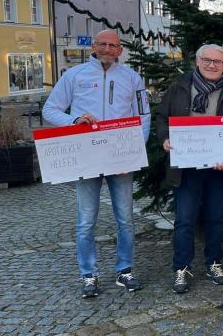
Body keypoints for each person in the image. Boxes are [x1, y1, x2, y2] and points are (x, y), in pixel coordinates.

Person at [42, 29, 150, 298]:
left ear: (120, 50)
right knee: (86, 220)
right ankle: (88, 275)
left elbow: (144, 115)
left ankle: (125, 270)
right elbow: (50, 110)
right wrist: (73, 120)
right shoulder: (74, 75)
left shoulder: (132, 78)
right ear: (94, 45)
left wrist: (134, 154)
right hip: (86, 157)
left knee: (125, 219)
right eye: (103, 43)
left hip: (120, 157)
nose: (108, 49)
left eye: (113, 45)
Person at [156, 44, 223, 294]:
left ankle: (214, 262)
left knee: (216, 219)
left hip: (218, 169)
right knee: (184, 221)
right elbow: (162, 117)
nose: (212, 65)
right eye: (207, 60)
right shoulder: (180, 86)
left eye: (217, 62)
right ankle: (181, 268)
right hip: (186, 167)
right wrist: (165, 138)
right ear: (197, 61)